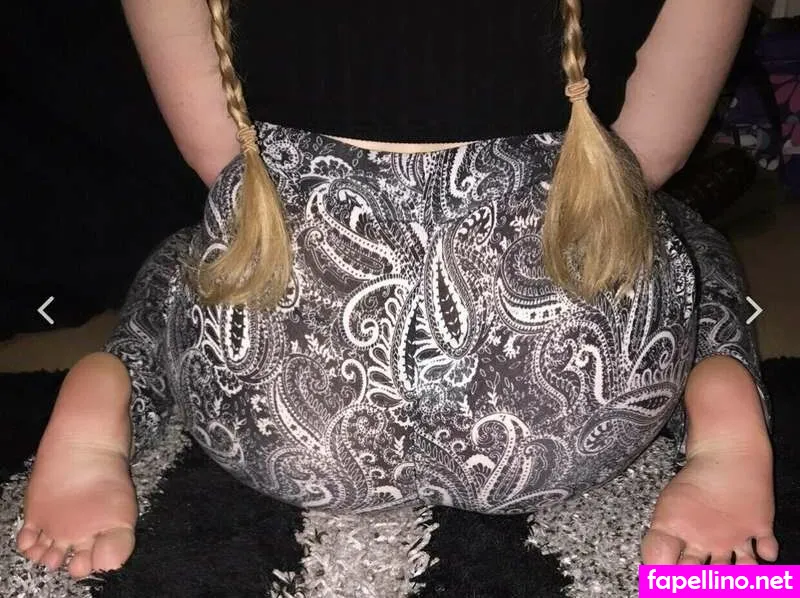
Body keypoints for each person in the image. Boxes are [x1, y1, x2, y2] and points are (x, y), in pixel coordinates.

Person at [17, 0, 777, 579]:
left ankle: (113, 390)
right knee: (680, 235)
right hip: (572, 407)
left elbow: (216, 153)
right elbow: (650, 154)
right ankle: (721, 421)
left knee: (188, 256)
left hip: (276, 406)